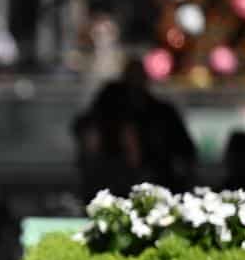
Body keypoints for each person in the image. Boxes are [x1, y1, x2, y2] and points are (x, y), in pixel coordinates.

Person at [73, 58, 197, 199]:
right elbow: (84, 131)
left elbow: (186, 151)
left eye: (139, 78)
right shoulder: (106, 111)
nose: (135, 84)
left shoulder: (161, 114)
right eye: (132, 78)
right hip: (113, 181)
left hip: (154, 180)